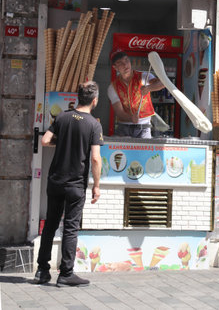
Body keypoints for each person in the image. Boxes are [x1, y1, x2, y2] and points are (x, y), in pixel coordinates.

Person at [34, 81, 103, 287]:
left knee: (50, 225)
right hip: (75, 185)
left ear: (77, 98)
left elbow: (45, 141)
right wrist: (97, 185)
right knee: (71, 228)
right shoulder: (93, 124)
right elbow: (96, 159)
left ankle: (42, 271)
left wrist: (61, 141)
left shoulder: (62, 116)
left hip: (55, 180)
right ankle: (66, 273)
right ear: (94, 100)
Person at [108, 49, 164, 138]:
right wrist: (131, 118)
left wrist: (149, 88)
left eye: (126, 60)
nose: (125, 65)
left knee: (145, 151)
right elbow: (119, 112)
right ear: (115, 67)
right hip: (123, 128)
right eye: (120, 63)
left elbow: (162, 83)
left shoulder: (144, 76)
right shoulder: (113, 87)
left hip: (144, 128)